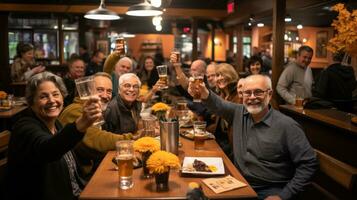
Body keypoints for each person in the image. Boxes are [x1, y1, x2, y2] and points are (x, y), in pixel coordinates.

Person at [188, 74, 318, 200]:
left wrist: (283, 196)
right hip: (238, 183)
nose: (252, 97)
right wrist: (203, 92)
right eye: (247, 93)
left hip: (269, 190)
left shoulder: (287, 126)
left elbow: (309, 164)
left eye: (258, 92)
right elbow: (218, 104)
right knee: (193, 191)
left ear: (269, 94)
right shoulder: (238, 112)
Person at [6, 71, 102, 200]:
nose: (52, 100)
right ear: (31, 102)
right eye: (43, 97)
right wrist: (81, 124)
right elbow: (48, 149)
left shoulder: (56, 125)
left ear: (63, 97)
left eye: (56, 94)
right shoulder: (24, 128)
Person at [59, 72, 134, 180]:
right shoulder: (75, 110)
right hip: (75, 180)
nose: (105, 95)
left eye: (109, 91)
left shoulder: (94, 110)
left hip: (87, 172)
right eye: (99, 90)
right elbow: (97, 138)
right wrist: (131, 139)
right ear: (87, 90)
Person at [208, 63, 239, 157]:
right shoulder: (222, 95)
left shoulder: (239, 95)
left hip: (233, 145)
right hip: (221, 141)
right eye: (217, 75)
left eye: (223, 74)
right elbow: (219, 126)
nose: (220, 78)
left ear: (231, 75)